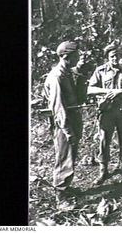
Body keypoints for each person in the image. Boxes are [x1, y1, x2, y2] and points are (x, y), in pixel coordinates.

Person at [87, 43, 122, 185]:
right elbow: (90, 89)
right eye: (112, 56)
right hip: (106, 111)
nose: (115, 58)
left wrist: (120, 91)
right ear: (108, 57)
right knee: (104, 140)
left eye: (117, 56)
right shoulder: (101, 71)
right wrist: (105, 92)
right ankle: (103, 170)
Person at [43, 40, 86, 210]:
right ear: (67, 57)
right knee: (64, 157)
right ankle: (61, 196)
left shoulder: (67, 72)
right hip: (64, 123)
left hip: (72, 119)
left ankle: (66, 187)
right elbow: (58, 107)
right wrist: (67, 130)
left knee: (71, 154)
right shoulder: (57, 77)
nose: (79, 57)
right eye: (76, 55)